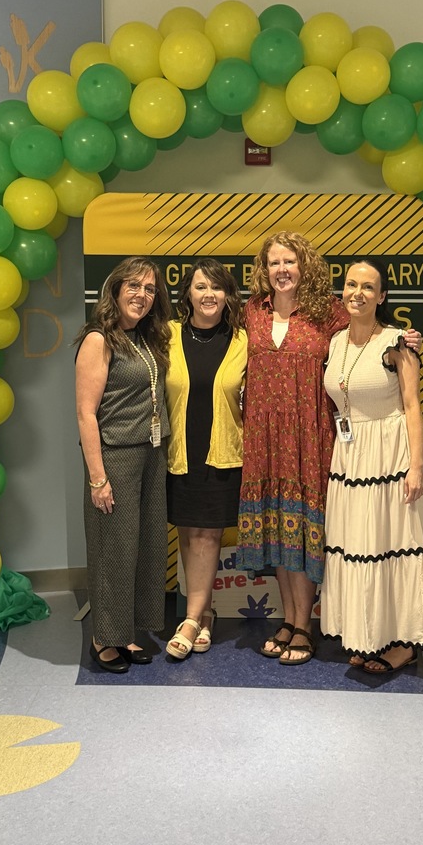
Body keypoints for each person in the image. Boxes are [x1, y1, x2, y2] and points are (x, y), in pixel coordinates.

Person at [237, 232, 421, 666]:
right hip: (264, 439)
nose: (282, 270)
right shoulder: (252, 311)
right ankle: (288, 618)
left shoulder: (328, 312)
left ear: (305, 267)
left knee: (304, 532)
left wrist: (405, 339)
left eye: (290, 261)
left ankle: (305, 626)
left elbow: (370, 331)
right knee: (277, 529)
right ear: (264, 269)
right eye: (274, 262)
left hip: (312, 436)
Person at [320, 259, 423, 673]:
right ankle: (368, 635)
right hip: (350, 456)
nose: (357, 293)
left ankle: (405, 644)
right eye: (351, 284)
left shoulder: (397, 342)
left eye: (368, 287)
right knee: (360, 547)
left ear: (382, 296)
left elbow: (412, 407)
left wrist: (415, 466)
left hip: (391, 454)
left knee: (396, 544)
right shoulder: (336, 341)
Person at [74, 256, 172, 673]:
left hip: (152, 454)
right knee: (113, 551)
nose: (142, 295)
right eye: (133, 286)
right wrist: (98, 479)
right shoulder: (99, 339)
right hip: (115, 457)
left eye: (149, 289)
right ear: (114, 290)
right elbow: (85, 414)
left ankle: (126, 630)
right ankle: (103, 638)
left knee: (144, 548)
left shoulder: (147, 338)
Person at [164, 259, 247, 659]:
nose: (209, 294)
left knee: (207, 536)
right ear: (188, 294)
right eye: (200, 287)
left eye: (217, 287)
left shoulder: (243, 340)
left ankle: (190, 619)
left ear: (228, 295)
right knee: (187, 534)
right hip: (180, 451)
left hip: (222, 453)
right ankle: (206, 613)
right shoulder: (167, 334)